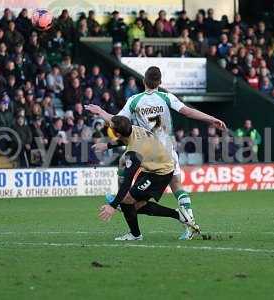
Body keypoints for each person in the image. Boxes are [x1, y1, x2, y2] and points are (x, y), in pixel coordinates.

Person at [85, 66, 226, 240]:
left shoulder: (135, 100)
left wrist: (101, 112)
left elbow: (116, 121)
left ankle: (122, 201)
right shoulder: (166, 97)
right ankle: (190, 225)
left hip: (146, 151)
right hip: (167, 151)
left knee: (125, 164)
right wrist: (210, 118)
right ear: (160, 82)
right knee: (177, 188)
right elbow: (187, 112)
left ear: (143, 81)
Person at [94, 116, 199, 240]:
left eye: (111, 128)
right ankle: (178, 215)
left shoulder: (134, 154)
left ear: (117, 133)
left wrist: (112, 206)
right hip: (153, 167)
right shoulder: (132, 129)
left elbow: (127, 182)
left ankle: (135, 235)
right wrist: (107, 146)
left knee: (127, 200)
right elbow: (124, 139)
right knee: (135, 206)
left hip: (160, 173)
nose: (109, 129)